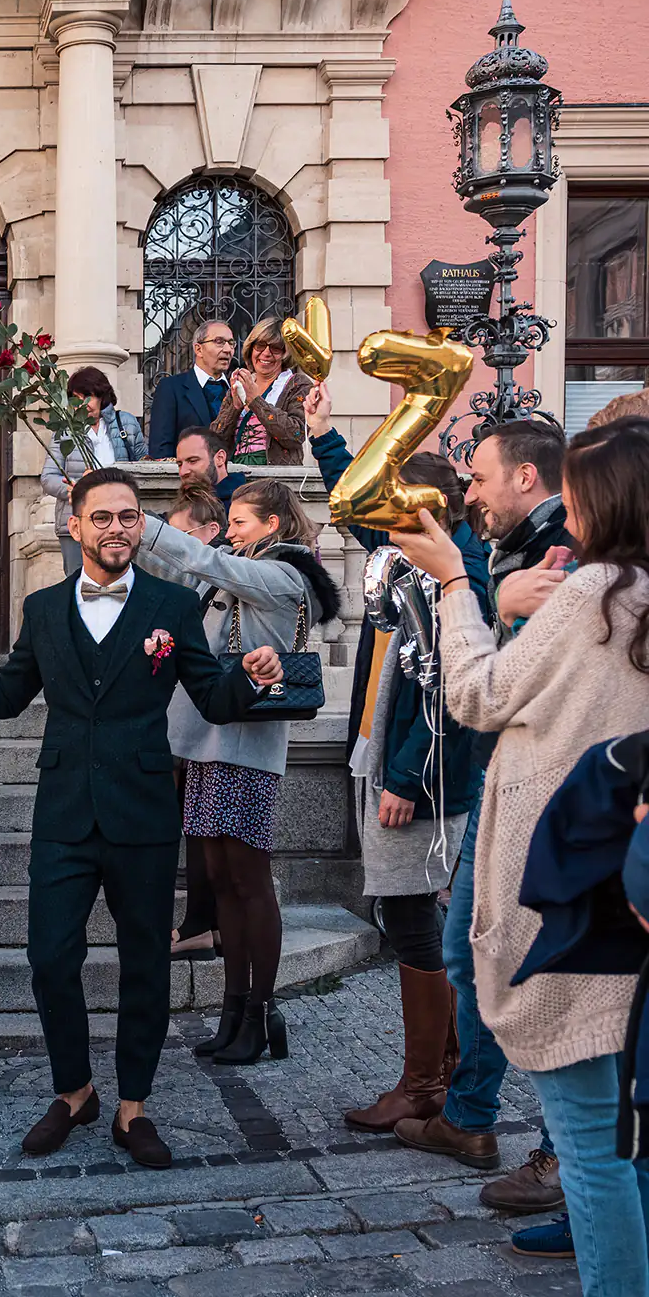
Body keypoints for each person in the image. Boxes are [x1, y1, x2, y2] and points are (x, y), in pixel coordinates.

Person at [0, 469, 283, 1167]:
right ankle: (74, 1091)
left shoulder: (171, 604)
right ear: (73, 526)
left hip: (143, 811)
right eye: (100, 517)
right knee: (49, 958)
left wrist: (251, 676)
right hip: (66, 810)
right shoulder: (43, 609)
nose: (115, 529)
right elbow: (7, 693)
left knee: (144, 964)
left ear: (141, 525)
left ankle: (133, 1107)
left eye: (128, 516)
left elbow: (213, 697)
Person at [390, 420, 649, 1297]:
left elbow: (475, 692)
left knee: (592, 1144)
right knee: (618, 1137)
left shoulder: (595, 593)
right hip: (608, 888)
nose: (568, 515)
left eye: (579, 496)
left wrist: (460, 586)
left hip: (568, 898)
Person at [305, 386, 493, 1147]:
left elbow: (447, 686)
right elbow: (353, 508)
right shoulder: (411, 549)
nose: (373, 515)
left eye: (388, 499)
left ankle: (425, 1086)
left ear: (417, 507)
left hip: (424, 778)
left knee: (416, 918)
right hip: (395, 762)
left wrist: (405, 781)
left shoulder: (461, 571)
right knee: (413, 914)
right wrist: (322, 436)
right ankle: (435, 1072)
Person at [138, 478, 341, 1062]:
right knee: (221, 882)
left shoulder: (283, 576)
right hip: (206, 744)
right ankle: (233, 1011)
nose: (230, 531)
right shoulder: (240, 567)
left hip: (246, 747)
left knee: (250, 883)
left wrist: (145, 524)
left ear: (273, 525)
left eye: (242, 521)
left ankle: (260, 1013)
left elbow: (200, 559)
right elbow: (187, 574)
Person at [432, 420, 575, 1217]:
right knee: (470, 951)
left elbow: (489, 688)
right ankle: (469, 1113)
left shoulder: (567, 557)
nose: (470, 493)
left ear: (526, 476)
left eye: (480, 476)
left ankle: (567, 1161)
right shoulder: (520, 548)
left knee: (549, 972)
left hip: (551, 794)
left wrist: (473, 593)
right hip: (505, 782)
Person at [166, 488, 229, 959]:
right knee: (194, 830)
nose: (174, 544)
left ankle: (206, 926)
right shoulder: (193, 580)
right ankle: (197, 923)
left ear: (211, 533)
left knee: (205, 836)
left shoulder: (223, 580)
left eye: (182, 534)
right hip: (185, 725)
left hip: (209, 728)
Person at [41, 364, 147, 577]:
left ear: (102, 396)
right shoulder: (65, 429)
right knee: (77, 581)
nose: (83, 404)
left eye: (88, 396)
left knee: (125, 580)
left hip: (121, 519)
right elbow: (48, 477)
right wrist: (75, 488)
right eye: (76, 399)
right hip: (78, 521)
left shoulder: (126, 423)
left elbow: (145, 468)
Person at [211, 316, 312, 465]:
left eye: (276, 348)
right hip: (235, 475)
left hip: (275, 479)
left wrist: (256, 401)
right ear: (251, 348)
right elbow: (214, 441)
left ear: (286, 353)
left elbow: (296, 435)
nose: (266, 353)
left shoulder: (297, 384)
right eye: (260, 346)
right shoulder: (241, 383)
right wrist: (235, 407)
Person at [147, 316, 236, 456]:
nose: (228, 349)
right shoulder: (171, 388)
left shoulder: (237, 389)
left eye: (231, 343)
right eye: (219, 342)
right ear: (198, 349)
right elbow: (160, 448)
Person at [175, 424, 247, 510]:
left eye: (193, 461)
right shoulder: (184, 507)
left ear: (220, 458)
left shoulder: (245, 507)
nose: (183, 472)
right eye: (179, 464)